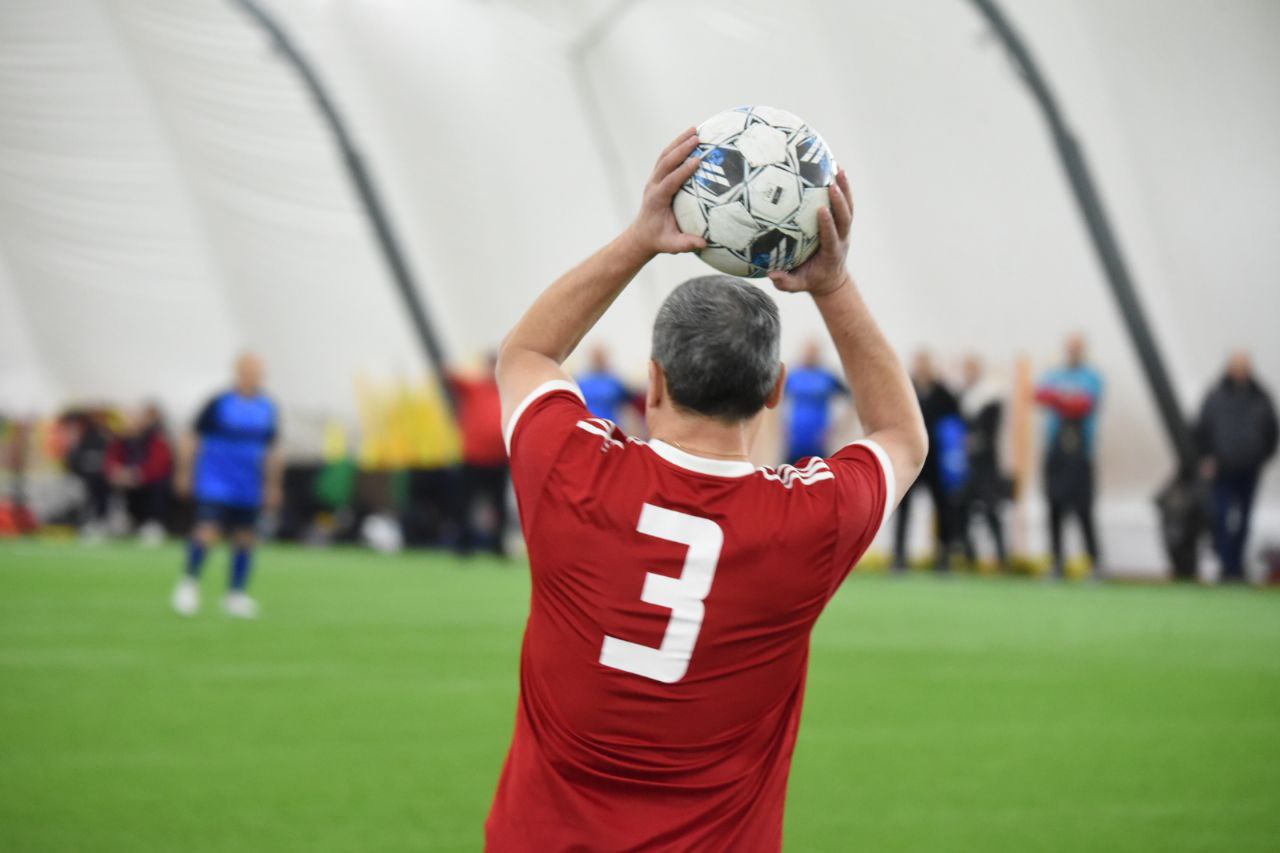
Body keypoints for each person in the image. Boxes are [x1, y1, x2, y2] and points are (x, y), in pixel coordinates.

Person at [485, 129, 927, 850]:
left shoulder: (570, 468)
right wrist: (833, 283)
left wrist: (641, 239)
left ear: (653, 382)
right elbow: (901, 436)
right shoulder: (809, 522)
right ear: (775, 390)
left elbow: (526, 353)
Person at [171, 353, 282, 618]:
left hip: (249, 485)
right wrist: (184, 472)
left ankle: (235, 594)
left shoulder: (267, 407)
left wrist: (273, 485)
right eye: (250, 371)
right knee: (207, 530)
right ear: (239, 372)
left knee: (246, 538)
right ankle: (189, 584)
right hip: (216, 481)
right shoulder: (219, 403)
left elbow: (273, 449)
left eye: (259, 372)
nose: (255, 376)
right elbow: (192, 437)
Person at [1196, 350, 1277, 582]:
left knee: (1244, 519)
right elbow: (1201, 429)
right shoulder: (1215, 396)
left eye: (1244, 366)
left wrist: (1261, 458)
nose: (1240, 370)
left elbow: (1272, 432)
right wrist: (1206, 457)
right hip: (1222, 469)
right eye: (1237, 366)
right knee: (1220, 516)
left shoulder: (1261, 397)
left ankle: (1236, 566)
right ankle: (1224, 562)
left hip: (1249, 469)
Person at [1036, 333, 1104, 579]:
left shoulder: (1092, 377)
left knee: (1083, 509)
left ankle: (1094, 563)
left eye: (1077, 348)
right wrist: (1064, 399)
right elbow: (1039, 395)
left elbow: (1083, 404)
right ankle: (1057, 562)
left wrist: (1060, 398)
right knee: (1054, 506)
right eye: (1070, 348)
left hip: (1081, 454)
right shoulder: (1054, 374)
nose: (1073, 352)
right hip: (1055, 452)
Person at [892, 351, 960, 571]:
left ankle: (943, 557)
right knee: (903, 506)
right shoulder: (906, 389)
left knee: (942, 507)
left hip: (936, 460)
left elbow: (956, 422)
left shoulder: (942, 393)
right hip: (911, 458)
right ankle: (899, 557)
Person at [450, 354, 510, 557]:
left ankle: (497, 546)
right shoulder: (475, 387)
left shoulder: (506, 389)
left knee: (498, 505)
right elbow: (451, 375)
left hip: (499, 458)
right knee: (466, 503)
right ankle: (463, 545)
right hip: (474, 457)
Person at [958, 354, 1008, 568]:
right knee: (962, 508)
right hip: (967, 464)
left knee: (991, 508)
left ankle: (1002, 557)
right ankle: (969, 556)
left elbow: (989, 432)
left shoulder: (989, 397)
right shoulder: (963, 397)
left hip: (986, 465)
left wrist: (973, 440)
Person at [105, 403, 173, 544]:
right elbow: (110, 462)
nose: (131, 422)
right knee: (103, 482)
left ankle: (154, 523)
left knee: (160, 484)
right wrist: (118, 473)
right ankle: (113, 521)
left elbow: (159, 465)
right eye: (129, 418)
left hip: (146, 482)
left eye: (135, 418)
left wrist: (137, 474)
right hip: (125, 482)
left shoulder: (157, 439)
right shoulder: (118, 441)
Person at [782, 339, 848, 462]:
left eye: (813, 351)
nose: (810, 354)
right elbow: (773, 403)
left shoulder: (828, 377)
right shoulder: (793, 375)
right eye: (808, 350)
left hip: (819, 442)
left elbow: (850, 400)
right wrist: (781, 428)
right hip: (794, 442)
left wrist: (839, 429)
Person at [65, 410, 113, 540]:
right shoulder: (82, 437)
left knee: (102, 487)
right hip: (83, 478)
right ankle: (87, 521)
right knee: (88, 490)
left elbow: (111, 460)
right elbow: (72, 462)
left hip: (101, 479)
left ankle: (100, 521)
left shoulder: (107, 437)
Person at [576, 345, 636, 423]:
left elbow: (628, 406)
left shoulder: (614, 382)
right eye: (596, 356)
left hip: (609, 425)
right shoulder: (581, 381)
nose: (598, 359)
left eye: (601, 356)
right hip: (588, 424)